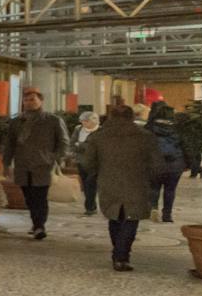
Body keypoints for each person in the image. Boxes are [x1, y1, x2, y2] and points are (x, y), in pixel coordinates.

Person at [80, 103, 162, 272]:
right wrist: (153, 180)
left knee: (114, 217)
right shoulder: (145, 136)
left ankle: (118, 253)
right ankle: (121, 256)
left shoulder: (98, 136)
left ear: (110, 117)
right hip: (137, 182)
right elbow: (156, 163)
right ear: (132, 117)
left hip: (109, 181)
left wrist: (96, 175)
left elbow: (88, 162)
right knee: (131, 219)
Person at [0, 85, 69, 240]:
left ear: (40, 101)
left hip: (42, 165)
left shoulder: (52, 121)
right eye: (26, 100)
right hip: (23, 164)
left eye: (32, 99)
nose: (29, 103)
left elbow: (63, 142)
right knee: (29, 196)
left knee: (40, 195)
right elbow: (9, 144)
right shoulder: (17, 122)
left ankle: (39, 225)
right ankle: (35, 221)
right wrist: (6, 163)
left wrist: (55, 157)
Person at [144, 101, 187, 223]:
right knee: (170, 189)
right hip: (175, 163)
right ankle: (167, 214)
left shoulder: (149, 128)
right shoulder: (178, 128)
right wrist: (189, 163)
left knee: (154, 188)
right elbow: (186, 146)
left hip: (154, 163)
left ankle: (153, 208)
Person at [72, 110, 101, 215]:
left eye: (86, 121)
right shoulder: (78, 129)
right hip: (81, 161)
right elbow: (72, 143)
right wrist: (78, 148)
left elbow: (96, 148)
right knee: (85, 185)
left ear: (93, 121)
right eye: (82, 121)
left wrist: (80, 145)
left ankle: (90, 207)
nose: (83, 123)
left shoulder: (100, 131)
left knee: (91, 184)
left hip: (95, 163)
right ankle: (91, 205)